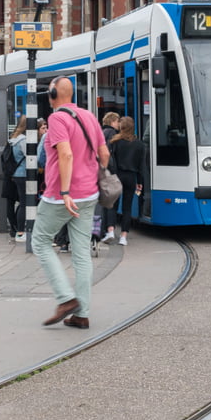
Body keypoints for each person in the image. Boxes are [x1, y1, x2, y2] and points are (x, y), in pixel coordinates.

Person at [33, 75, 109, 329]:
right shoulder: (89, 116)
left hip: (61, 196)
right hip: (90, 194)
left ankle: (66, 299)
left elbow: (64, 153)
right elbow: (104, 154)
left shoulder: (57, 118)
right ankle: (82, 313)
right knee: (81, 253)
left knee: (40, 241)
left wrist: (66, 191)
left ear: (53, 95)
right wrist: (90, 176)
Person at [108, 116, 145, 246]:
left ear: (121, 127)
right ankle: (123, 237)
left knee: (113, 205)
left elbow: (111, 162)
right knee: (127, 207)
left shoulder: (115, 142)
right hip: (131, 177)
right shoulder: (139, 144)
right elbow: (141, 166)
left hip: (117, 176)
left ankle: (111, 231)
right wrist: (140, 181)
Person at [6, 115, 28, 243]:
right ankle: (20, 232)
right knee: (24, 204)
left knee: (22, 203)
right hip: (23, 174)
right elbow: (29, 156)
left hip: (16, 174)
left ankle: (19, 230)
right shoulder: (23, 140)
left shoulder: (13, 139)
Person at [99, 112, 120, 243]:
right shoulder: (113, 134)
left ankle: (103, 230)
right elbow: (109, 154)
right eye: (117, 121)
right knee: (111, 202)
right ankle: (110, 230)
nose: (118, 124)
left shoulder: (101, 132)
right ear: (112, 121)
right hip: (109, 172)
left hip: (100, 172)